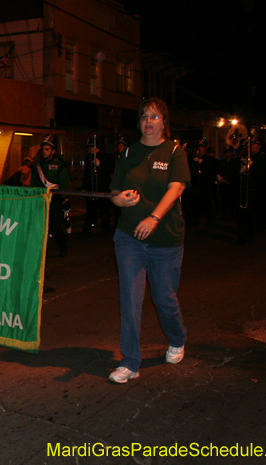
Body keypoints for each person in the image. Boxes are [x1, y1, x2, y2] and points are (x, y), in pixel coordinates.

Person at [108, 97, 190, 384]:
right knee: (130, 298)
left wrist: (153, 218)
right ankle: (130, 361)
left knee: (163, 298)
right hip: (129, 237)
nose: (149, 122)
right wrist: (118, 199)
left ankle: (177, 338)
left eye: (155, 117)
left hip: (165, 239)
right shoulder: (130, 153)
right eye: (145, 117)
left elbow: (176, 188)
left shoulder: (175, 152)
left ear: (164, 123)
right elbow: (115, 188)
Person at [31, 135, 71, 257]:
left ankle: (63, 245)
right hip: (41, 200)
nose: (44, 151)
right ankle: (38, 251)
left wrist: (65, 199)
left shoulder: (60, 165)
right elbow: (34, 183)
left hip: (55, 200)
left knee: (54, 225)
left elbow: (64, 184)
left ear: (53, 151)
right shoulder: (37, 166)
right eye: (43, 149)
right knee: (38, 227)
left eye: (47, 149)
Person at [81, 137, 114, 237]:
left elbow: (110, 171)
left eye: (91, 147)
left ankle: (105, 230)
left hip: (102, 187)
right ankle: (87, 230)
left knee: (104, 211)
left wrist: (100, 165)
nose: (89, 149)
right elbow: (87, 174)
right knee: (90, 210)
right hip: (91, 187)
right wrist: (84, 187)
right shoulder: (88, 158)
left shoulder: (106, 157)